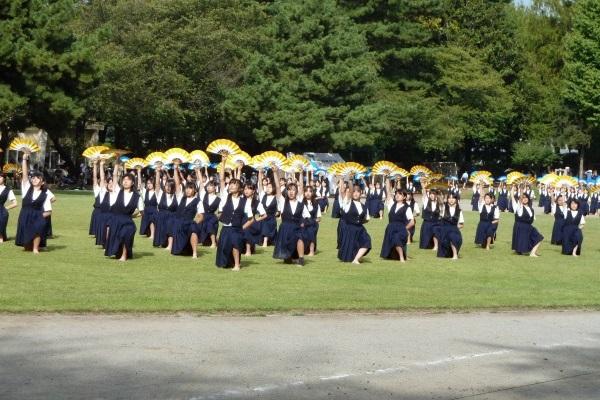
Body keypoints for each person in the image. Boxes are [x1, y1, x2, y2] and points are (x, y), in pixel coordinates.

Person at [215, 154, 255, 271]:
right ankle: (228, 263)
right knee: (223, 251)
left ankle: (237, 265)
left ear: (240, 188)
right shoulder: (225, 196)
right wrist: (223, 162)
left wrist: (243, 227)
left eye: (235, 184)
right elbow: (222, 179)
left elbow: (252, 219)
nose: (231, 186)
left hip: (237, 229)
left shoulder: (245, 201)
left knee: (235, 244)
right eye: (231, 184)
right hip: (226, 228)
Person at [272, 166, 310, 265]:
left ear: (296, 192)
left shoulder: (301, 203)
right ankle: (290, 257)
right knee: (287, 259)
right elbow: (277, 188)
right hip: (285, 228)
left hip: (297, 227)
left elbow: (307, 217)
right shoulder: (282, 201)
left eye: (293, 190)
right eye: (289, 190)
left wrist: (301, 173)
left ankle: (301, 260)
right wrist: (275, 172)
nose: (291, 192)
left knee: (300, 237)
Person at [15, 152, 52, 253]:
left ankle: (36, 248)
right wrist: (24, 160)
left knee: (37, 230)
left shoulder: (45, 194)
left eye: (37, 178)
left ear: (42, 182)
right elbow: (25, 175)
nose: (34, 179)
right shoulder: (26, 188)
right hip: (25, 214)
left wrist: (40, 216)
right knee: (26, 247)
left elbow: (48, 211)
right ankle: (30, 246)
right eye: (33, 178)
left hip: (38, 215)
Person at [104, 162, 141, 261]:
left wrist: (133, 216)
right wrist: (117, 160)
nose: (125, 182)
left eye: (128, 180)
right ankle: (119, 253)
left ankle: (124, 255)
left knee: (125, 235)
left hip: (128, 222)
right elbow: (115, 176)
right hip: (116, 221)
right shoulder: (117, 192)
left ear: (133, 182)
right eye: (124, 180)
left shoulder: (137, 197)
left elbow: (142, 211)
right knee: (118, 239)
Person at [167, 164, 204, 258]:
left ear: (195, 190)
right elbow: (176, 183)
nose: (188, 190)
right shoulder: (180, 198)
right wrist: (175, 169)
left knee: (194, 229)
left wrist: (195, 222)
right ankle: (172, 246)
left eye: (190, 188)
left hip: (189, 223)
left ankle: (195, 253)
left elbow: (201, 215)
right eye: (187, 188)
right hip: (178, 223)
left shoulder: (198, 201)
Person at [337, 176, 371, 264]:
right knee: (347, 255)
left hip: (360, 229)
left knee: (367, 241)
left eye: (358, 191)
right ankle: (355, 258)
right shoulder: (348, 202)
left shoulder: (364, 206)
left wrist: (359, 222)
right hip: (349, 229)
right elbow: (345, 191)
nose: (355, 193)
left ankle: (356, 259)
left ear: (361, 193)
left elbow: (367, 219)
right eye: (354, 191)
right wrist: (350, 180)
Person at [380, 177, 414, 262]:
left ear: (404, 197)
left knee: (396, 238)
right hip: (390, 228)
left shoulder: (407, 208)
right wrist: (387, 178)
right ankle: (401, 256)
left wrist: (404, 228)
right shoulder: (391, 204)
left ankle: (402, 257)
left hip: (401, 229)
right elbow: (388, 191)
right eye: (396, 194)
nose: (397, 195)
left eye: (400, 194)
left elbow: (412, 222)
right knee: (391, 248)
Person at [152, 166, 178, 248]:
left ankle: (170, 245)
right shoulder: (160, 194)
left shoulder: (176, 195)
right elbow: (157, 184)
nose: (168, 187)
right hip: (161, 217)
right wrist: (158, 172)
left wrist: (175, 169)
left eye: (170, 186)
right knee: (162, 235)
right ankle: (164, 243)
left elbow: (177, 183)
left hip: (172, 217)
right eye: (166, 185)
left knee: (170, 227)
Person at [511, 192, 543, 257]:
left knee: (539, 237)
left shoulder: (531, 209)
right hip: (520, 227)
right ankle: (532, 253)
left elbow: (532, 219)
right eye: (523, 198)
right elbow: (513, 199)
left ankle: (533, 252)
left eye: (526, 197)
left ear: (528, 199)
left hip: (528, 227)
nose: (525, 199)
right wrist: (520, 190)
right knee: (520, 249)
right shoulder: (519, 207)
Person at [435, 193, 464, 260]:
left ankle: (455, 255)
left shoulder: (459, 211)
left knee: (453, 236)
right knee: (442, 255)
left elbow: (462, 224)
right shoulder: (443, 208)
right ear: (447, 199)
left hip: (454, 229)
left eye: (453, 198)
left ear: (456, 200)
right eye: (449, 198)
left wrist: (455, 228)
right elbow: (439, 201)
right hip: (444, 230)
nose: (451, 200)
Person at [257, 170, 278, 247]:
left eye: (270, 187)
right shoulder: (263, 195)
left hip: (271, 219)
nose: (268, 189)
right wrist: (260, 172)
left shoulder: (277, 198)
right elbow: (260, 184)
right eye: (267, 187)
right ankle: (264, 240)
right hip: (262, 217)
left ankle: (265, 241)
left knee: (267, 223)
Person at [198, 179, 220, 248]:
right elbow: (201, 183)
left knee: (210, 225)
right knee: (204, 242)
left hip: (212, 217)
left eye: (210, 186)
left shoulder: (218, 199)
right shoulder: (203, 195)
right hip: (203, 216)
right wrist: (198, 171)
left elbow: (221, 211)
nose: (208, 187)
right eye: (207, 186)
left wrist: (217, 217)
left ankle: (214, 243)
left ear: (215, 187)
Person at [302, 185, 322, 257]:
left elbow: (319, 217)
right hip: (303, 223)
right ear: (304, 193)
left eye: (310, 191)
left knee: (311, 236)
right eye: (306, 191)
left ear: (312, 193)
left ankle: (312, 251)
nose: (308, 193)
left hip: (313, 224)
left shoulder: (316, 203)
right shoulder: (301, 203)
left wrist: (315, 221)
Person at [138, 171, 158, 239]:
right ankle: (150, 234)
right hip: (146, 210)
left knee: (152, 221)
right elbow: (140, 185)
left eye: (151, 183)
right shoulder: (145, 191)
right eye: (148, 183)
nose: (149, 185)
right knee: (147, 224)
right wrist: (138, 172)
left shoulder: (157, 192)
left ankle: (153, 235)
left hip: (154, 210)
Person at [0, 172, 18, 242]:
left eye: (0, 177)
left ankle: (1, 237)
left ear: (4, 179)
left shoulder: (8, 189)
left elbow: (15, 203)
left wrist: (5, 208)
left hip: (2, 211)